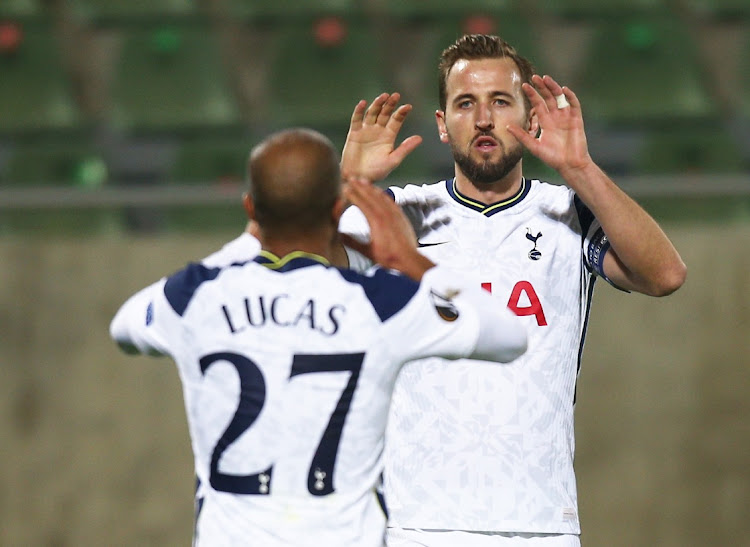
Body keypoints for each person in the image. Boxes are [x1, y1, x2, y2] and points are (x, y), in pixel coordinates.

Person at [337, 34, 687, 546]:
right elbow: (298, 268)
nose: (483, 118)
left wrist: (581, 170)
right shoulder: (396, 212)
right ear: (442, 125)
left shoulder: (570, 214)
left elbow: (666, 275)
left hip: (540, 524)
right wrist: (343, 188)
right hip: (415, 523)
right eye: (465, 103)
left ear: (531, 118)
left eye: (500, 101)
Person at [109, 128, 528, 547]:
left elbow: (124, 326)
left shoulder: (196, 296)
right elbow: (508, 335)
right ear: (335, 210)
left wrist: (251, 236)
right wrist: (410, 259)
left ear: (251, 206)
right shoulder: (380, 302)